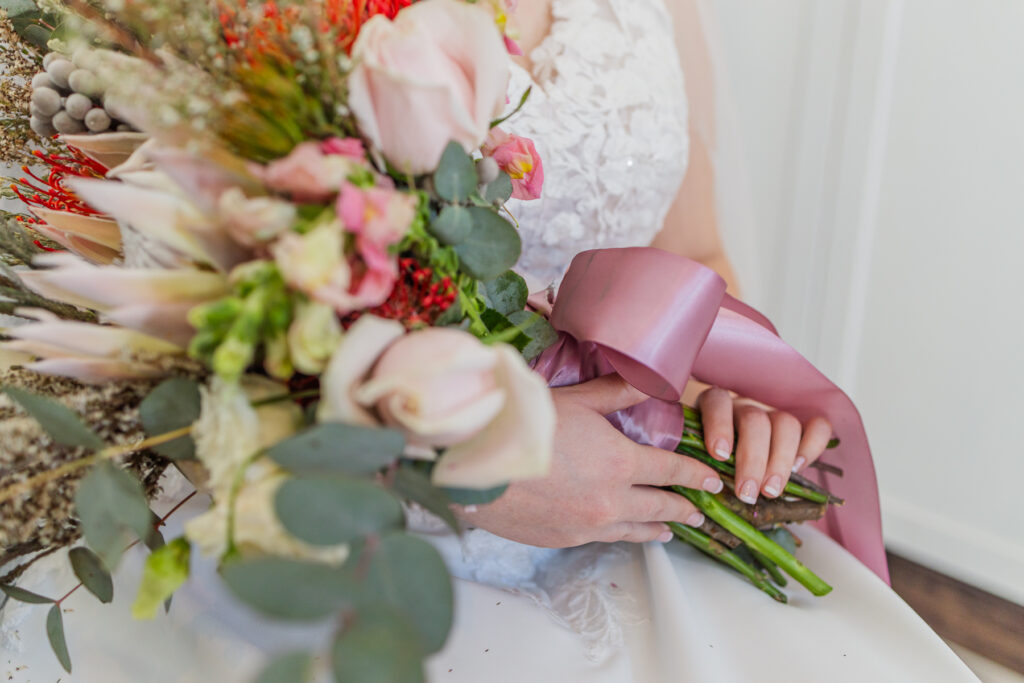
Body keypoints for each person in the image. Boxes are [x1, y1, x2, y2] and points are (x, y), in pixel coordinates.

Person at [0, 1, 983, 681]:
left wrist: (722, 391)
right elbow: (186, 349)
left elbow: (693, 255)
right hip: (344, 521)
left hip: (630, 496)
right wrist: (473, 466)